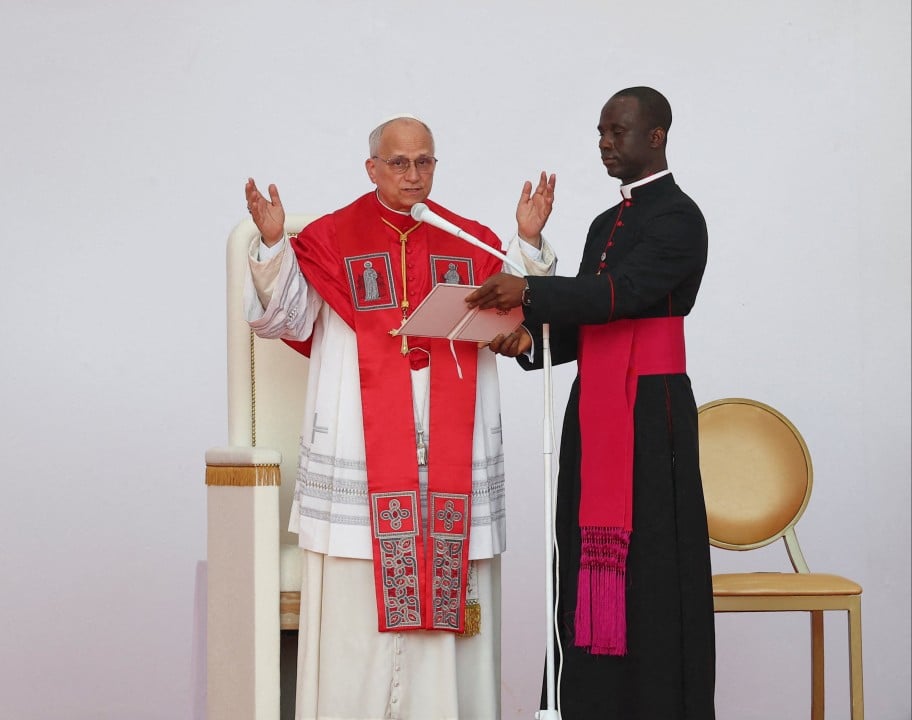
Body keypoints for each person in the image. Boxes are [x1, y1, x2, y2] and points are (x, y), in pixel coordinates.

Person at [244, 115, 556, 719]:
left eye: (424, 162)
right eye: (399, 163)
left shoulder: (466, 238)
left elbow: (519, 314)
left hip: (449, 449)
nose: (413, 175)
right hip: (359, 442)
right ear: (372, 168)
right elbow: (285, 319)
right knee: (355, 601)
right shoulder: (331, 238)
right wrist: (275, 246)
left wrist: (527, 241)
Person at [467, 86, 715, 718]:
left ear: (656, 136)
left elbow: (618, 294)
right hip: (595, 406)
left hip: (652, 413)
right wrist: (528, 339)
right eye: (600, 132)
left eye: (616, 132)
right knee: (582, 556)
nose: (604, 144)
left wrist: (529, 292)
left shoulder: (679, 217)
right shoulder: (606, 224)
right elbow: (586, 323)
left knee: (651, 567)